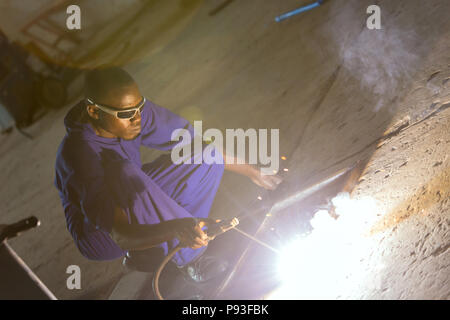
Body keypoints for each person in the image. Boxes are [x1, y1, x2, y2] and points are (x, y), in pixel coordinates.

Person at [54, 67, 281, 283]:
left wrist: (255, 173)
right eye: (127, 113)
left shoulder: (131, 111)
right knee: (124, 172)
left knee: (206, 153)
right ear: (94, 111)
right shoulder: (80, 155)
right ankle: (191, 259)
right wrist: (176, 228)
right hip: (102, 234)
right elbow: (119, 234)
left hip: (130, 192)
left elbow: (195, 143)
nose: (137, 119)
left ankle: (172, 241)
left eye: (140, 107)